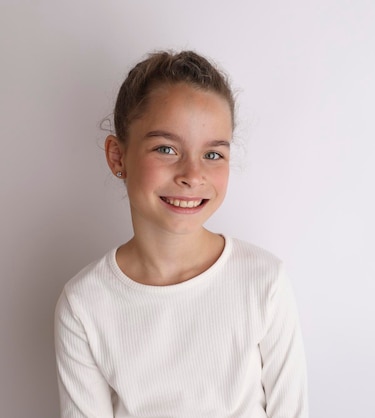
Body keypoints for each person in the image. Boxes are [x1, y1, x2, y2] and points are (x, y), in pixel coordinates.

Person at [54, 50, 308, 417]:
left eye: (213, 154)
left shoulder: (264, 281)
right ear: (117, 157)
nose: (192, 174)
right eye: (166, 148)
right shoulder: (84, 305)